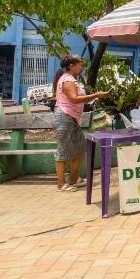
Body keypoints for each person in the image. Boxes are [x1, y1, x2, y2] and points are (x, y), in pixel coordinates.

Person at [52, 55, 108, 192]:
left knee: (80, 148)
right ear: (71, 66)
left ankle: (73, 179)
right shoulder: (67, 80)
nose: (82, 67)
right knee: (63, 149)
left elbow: (78, 100)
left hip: (71, 118)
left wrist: (91, 101)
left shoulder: (72, 80)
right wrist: (95, 95)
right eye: (79, 65)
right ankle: (61, 184)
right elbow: (74, 99)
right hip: (64, 116)